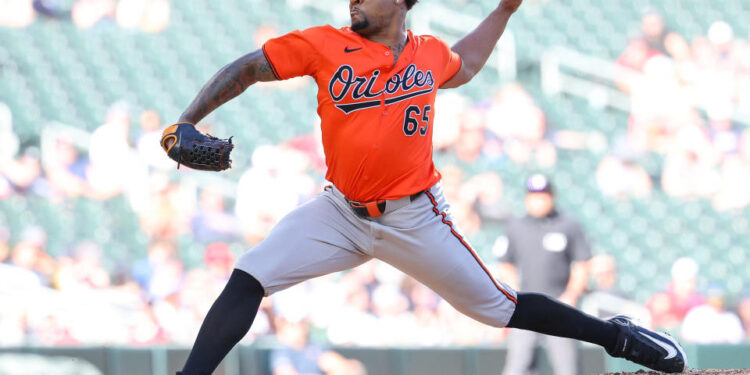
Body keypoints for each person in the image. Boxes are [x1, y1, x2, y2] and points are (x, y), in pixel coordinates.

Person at [163, 1, 687, 374]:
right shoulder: (325, 44)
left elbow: (468, 64)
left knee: (499, 307)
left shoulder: (429, 53)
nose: (353, 1)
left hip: (414, 216)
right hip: (339, 212)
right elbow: (250, 67)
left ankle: (617, 336)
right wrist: (186, 119)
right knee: (249, 277)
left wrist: (504, 10)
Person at [497, 174, 591, 375]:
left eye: (543, 195)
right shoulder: (516, 226)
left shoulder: (568, 225)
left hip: (560, 304)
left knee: (567, 368)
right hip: (525, 305)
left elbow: (582, 263)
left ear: (552, 196)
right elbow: (506, 264)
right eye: (534, 196)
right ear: (526, 198)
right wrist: (516, 294)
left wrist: (571, 295)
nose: (538, 200)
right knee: (517, 367)